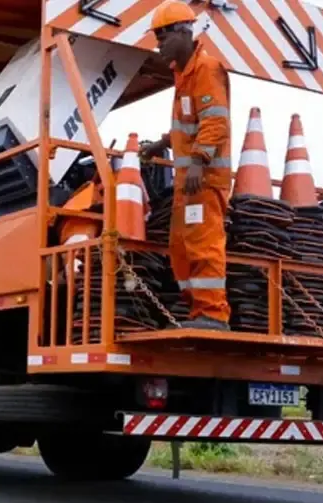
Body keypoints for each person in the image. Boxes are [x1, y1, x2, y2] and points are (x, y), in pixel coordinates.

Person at [139, 1, 232, 331]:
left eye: (163, 38)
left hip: (204, 181)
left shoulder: (205, 69)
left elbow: (215, 121)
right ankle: (198, 313)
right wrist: (161, 144)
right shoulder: (184, 75)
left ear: (183, 32)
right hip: (189, 183)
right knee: (181, 247)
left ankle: (213, 314)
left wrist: (198, 162)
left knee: (203, 244)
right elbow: (190, 123)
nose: (159, 46)